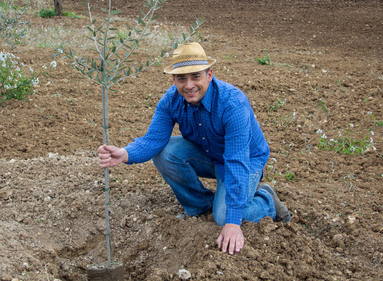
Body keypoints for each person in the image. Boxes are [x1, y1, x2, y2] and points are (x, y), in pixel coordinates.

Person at [98, 42, 290, 255]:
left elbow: (237, 160)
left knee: (225, 217)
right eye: (181, 78)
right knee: (166, 151)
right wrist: (125, 153)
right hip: (209, 155)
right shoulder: (171, 100)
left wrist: (233, 223)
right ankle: (199, 206)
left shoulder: (231, 103)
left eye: (195, 76)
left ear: (209, 75)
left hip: (245, 160)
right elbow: (153, 140)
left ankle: (266, 201)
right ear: (174, 80)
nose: (189, 85)